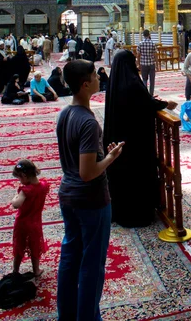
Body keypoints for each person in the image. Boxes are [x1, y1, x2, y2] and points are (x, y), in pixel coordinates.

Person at [56, 60, 124, 321]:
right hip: (91, 200)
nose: (99, 78)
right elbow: (87, 173)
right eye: (95, 75)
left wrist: (100, 156)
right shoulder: (88, 122)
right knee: (92, 265)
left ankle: (68, 315)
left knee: (70, 257)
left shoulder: (65, 113)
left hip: (68, 195)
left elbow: (76, 160)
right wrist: (111, 158)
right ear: (85, 84)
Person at [103, 49, 177, 227]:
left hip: (118, 140)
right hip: (136, 141)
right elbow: (147, 104)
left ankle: (121, 211)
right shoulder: (132, 83)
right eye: (133, 61)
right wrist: (166, 104)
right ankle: (138, 213)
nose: (136, 64)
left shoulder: (115, 82)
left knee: (123, 176)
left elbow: (140, 101)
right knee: (137, 175)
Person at [11, 159, 49, 277]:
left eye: (20, 178)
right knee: (34, 247)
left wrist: (14, 197)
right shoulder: (44, 185)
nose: (20, 181)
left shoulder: (25, 191)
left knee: (19, 247)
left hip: (22, 224)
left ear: (24, 175)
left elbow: (16, 205)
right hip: (36, 223)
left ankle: (15, 270)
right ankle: (36, 270)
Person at [137, 29, 157, 96]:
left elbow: (138, 55)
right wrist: (157, 63)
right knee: (152, 80)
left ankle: (145, 94)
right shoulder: (152, 43)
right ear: (149, 35)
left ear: (143, 35)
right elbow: (155, 54)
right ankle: (151, 94)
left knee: (144, 79)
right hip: (151, 63)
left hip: (143, 63)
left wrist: (138, 64)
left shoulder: (140, 43)